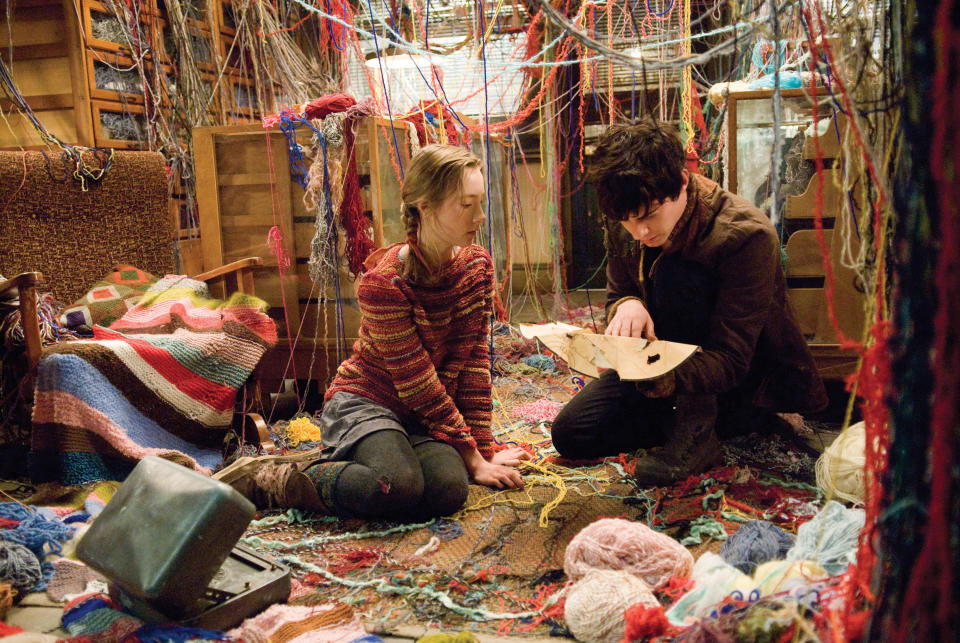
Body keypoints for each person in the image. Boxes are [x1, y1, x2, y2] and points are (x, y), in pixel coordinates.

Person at [217, 144, 529, 520]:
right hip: (367, 401)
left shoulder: (477, 267)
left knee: (448, 490)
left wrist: (482, 450)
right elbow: (416, 382)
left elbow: (475, 363)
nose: (480, 216)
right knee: (394, 487)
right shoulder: (384, 283)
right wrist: (473, 457)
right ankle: (279, 478)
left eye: (481, 202)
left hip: (422, 415)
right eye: (467, 204)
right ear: (425, 207)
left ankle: (387, 453)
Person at [551, 117, 827, 485]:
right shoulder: (627, 215)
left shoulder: (746, 236)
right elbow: (618, 293)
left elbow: (730, 359)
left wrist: (658, 375)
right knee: (572, 434)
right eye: (627, 221)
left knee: (676, 273)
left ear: (682, 181)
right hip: (658, 365)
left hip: (730, 377)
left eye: (649, 215)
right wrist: (628, 303)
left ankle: (704, 425)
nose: (641, 232)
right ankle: (707, 423)